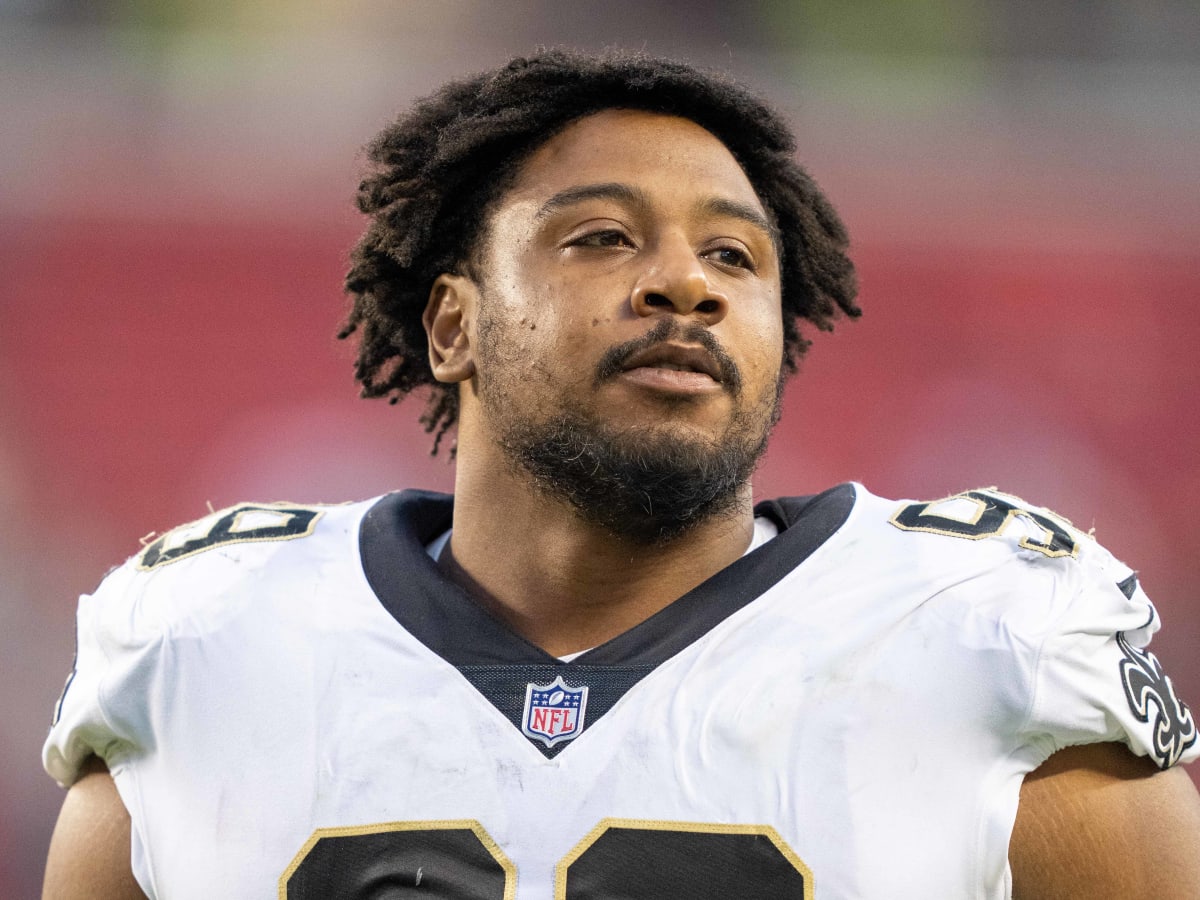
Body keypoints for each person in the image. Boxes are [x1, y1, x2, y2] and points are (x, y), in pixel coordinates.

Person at [42, 49, 1200, 899]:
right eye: (601, 236)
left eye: (734, 257)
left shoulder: (985, 635)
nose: (685, 286)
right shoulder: (207, 646)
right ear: (452, 326)